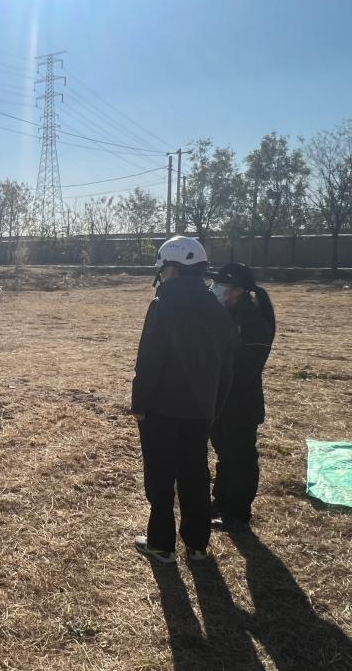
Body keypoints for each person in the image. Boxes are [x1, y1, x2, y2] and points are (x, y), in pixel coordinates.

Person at [130, 235, 236, 563]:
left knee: (160, 476)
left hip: (161, 409)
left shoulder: (162, 305)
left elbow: (149, 360)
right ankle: (197, 544)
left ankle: (161, 544)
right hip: (201, 410)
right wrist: (214, 408)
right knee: (195, 474)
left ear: (174, 268)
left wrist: (139, 404)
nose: (162, 276)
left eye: (164, 269)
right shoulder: (218, 309)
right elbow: (227, 366)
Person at [207, 263, 276, 531]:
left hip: (240, 402)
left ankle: (237, 512)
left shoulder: (252, 320)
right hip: (222, 398)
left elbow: (246, 366)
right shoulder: (228, 313)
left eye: (221, 284)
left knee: (241, 457)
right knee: (225, 453)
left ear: (237, 290)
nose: (214, 288)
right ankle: (221, 502)